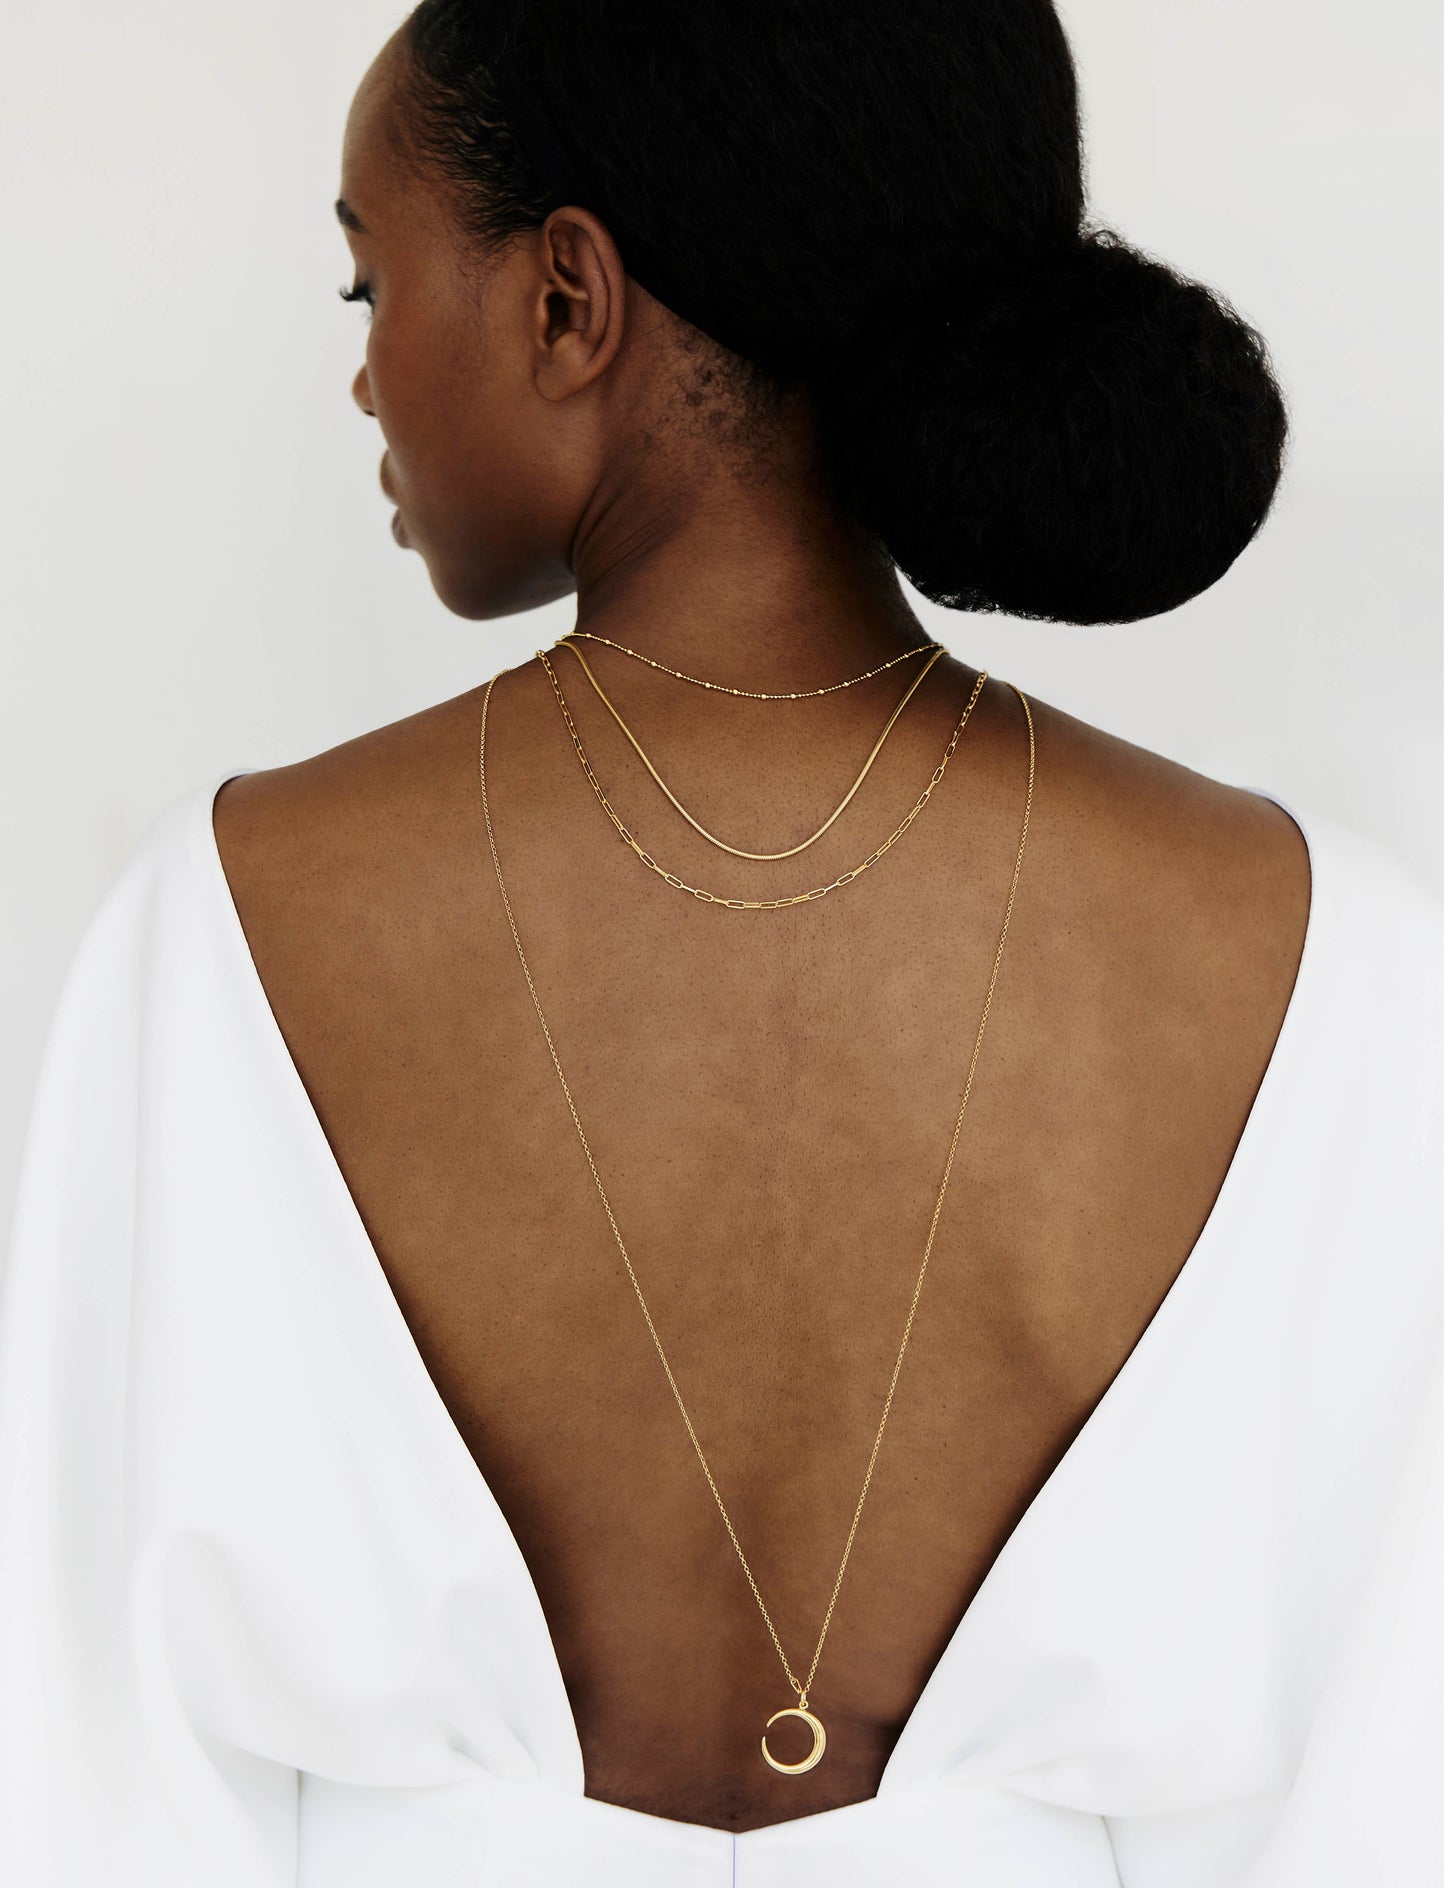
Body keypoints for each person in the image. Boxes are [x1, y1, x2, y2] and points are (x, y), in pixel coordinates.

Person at [1, 3, 1438, 1883]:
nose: (359, 381)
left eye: (368, 288)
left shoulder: (224, 925)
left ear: (566, 301)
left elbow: (96, 1789)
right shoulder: (1322, 958)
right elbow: (1384, 1793)